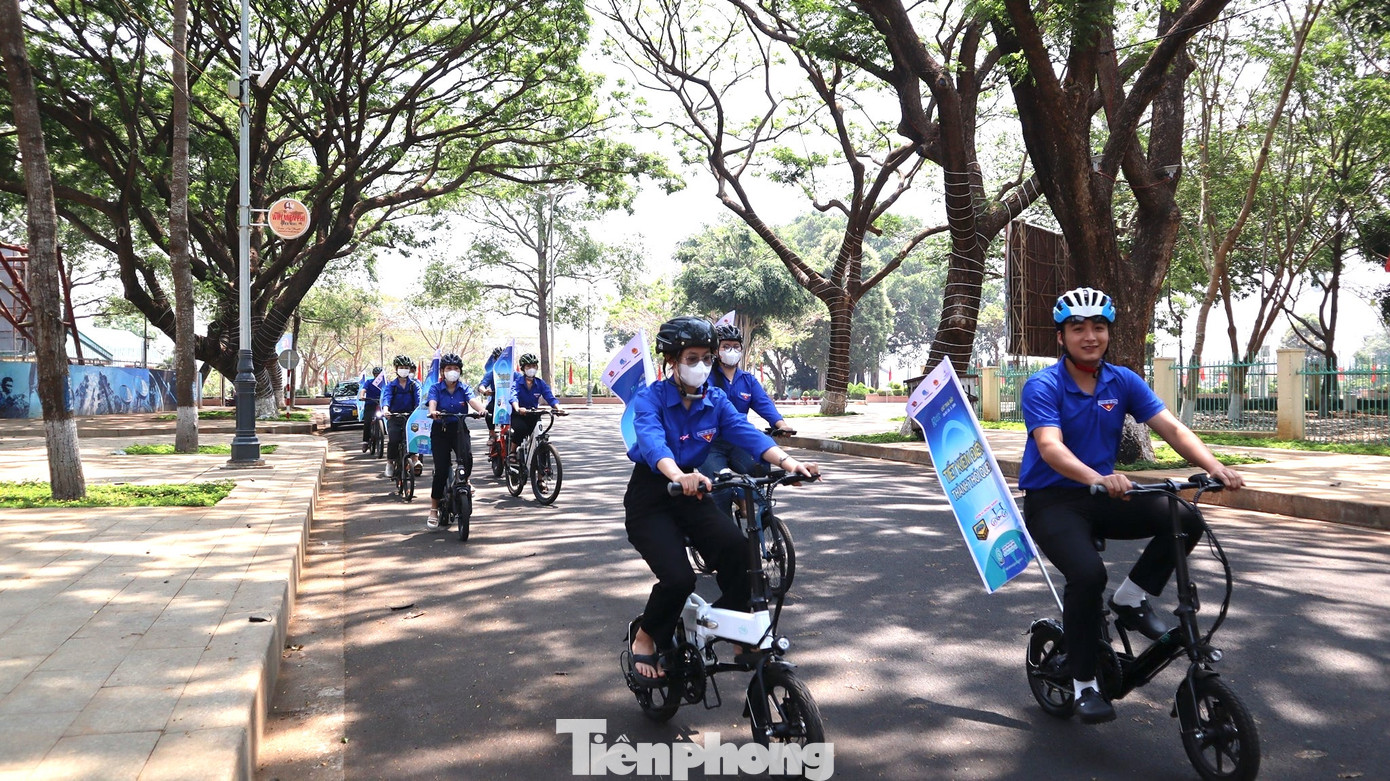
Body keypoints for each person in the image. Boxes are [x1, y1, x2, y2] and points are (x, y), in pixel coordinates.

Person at [1019, 286, 1244, 724]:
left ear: (1108, 333)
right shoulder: (1042, 385)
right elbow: (1050, 448)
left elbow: (1172, 429)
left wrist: (1216, 467)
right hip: (1054, 502)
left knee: (1184, 517)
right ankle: (1084, 684)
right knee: (1086, 575)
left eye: (1098, 327)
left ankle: (1131, 597)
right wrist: (1097, 477)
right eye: (1078, 328)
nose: (1090, 336)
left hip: (1104, 495)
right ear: (1061, 337)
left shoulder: (1121, 380)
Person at [624, 316, 819, 686]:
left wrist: (790, 463)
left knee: (741, 554)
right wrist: (678, 475)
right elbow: (652, 442)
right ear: (672, 361)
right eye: (692, 357)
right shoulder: (651, 398)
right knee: (680, 579)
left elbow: (747, 433)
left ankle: (729, 628)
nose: (702, 365)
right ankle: (647, 634)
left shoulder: (714, 400)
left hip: (692, 493)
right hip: (651, 497)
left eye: (707, 358)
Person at [701, 323, 796, 516]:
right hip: (710, 444)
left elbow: (764, 404)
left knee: (759, 466)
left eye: (736, 347)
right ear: (716, 351)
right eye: (726, 346)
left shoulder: (747, 380)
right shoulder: (705, 378)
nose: (732, 351)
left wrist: (781, 424)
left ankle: (753, 512)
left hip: (739, 440)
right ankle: (725, 534)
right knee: (721, 487)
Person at [425, 353, 489, 529]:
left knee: (466, 459)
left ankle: (465, 480)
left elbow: (473, 401)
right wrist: (433, 412)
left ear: (460, 371)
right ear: (442, 371)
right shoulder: (436, 388)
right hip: (440, 430)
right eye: (448, 369)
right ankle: (433, 508)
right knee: (441, 471)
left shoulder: (464, 388)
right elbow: (432, 402)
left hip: (459, 428)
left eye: (455, 369)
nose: (452, 372)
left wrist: (481, 410)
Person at [380, 355, 423, 479]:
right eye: (401, 367)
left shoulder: (414, 385)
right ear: (396, 368)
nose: (404, 370)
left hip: (410, 417)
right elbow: (386, 398)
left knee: (412, 437)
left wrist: (418, 412)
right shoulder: (391, 386)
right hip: (394, 417)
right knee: (393, 439)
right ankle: (390, 463)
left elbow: (419, 401)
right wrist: (386, 410)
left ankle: (415, 460)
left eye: (406, 367)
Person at [509, 353, 562, 448]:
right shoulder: (517, 383)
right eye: (528, 366)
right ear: (523, 368)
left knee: (540, 435)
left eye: (533, 366)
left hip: (533, 415)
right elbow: (513, 396)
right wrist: (518, 408)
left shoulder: (540, 383)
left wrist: (558, 408)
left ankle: (539, 455)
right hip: (518, 415)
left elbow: (549, 396)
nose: (531, 368)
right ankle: (512, 452)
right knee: (521, 429)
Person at [359, 366, 383, 452]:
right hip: (370, 404)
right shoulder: (369, 382)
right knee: (367, 422)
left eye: (379, 374)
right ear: (374, 375)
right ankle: (365, 442)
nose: (378, 376)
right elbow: (363, 390)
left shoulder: (384, 383)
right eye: (376, 374)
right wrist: (362, 396)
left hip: (381, 405)